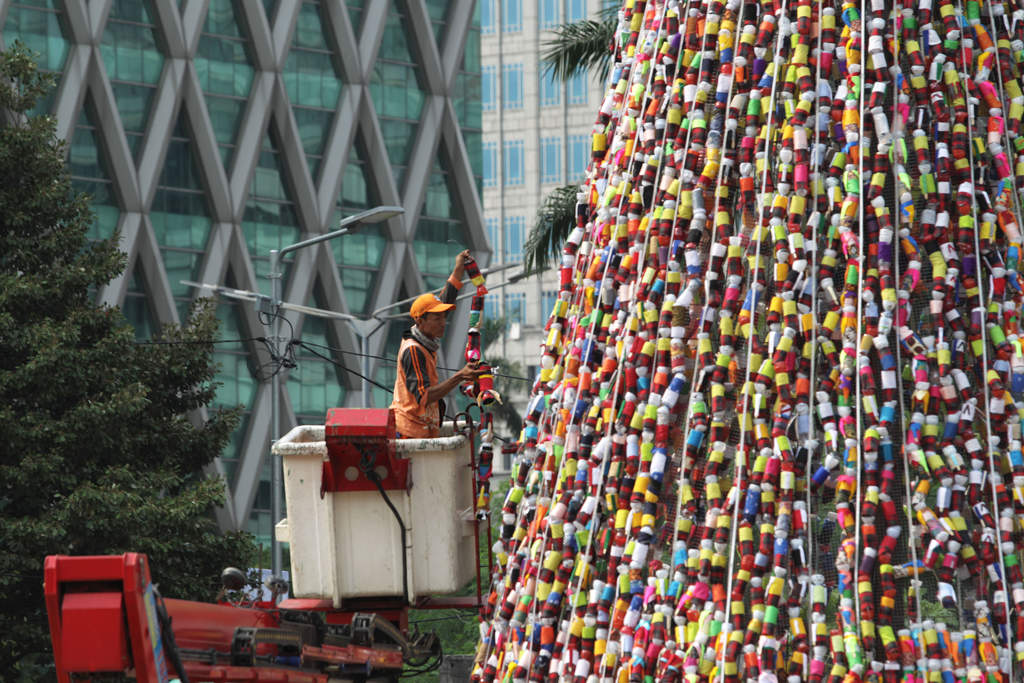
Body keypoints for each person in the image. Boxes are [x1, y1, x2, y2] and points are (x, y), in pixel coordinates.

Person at [391, 249, 483, 438]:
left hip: (422, 430)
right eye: (437, 318)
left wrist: (459, 269)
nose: (443, 322)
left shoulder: (425, 338)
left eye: (444, 317)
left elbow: (447, 296)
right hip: (409, 431)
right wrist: (459, 377)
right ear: (421, 321)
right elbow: (424, 396)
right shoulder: (414, 350)